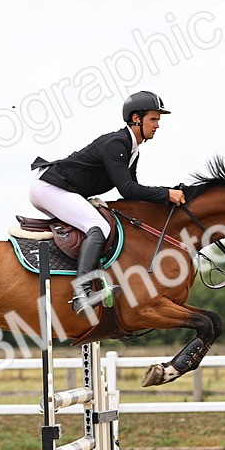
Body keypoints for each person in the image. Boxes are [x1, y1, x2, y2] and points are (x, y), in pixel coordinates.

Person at [29, 90, 186, 316]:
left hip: (59, 188)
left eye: (158, 120)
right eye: (153, 119)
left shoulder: (131, 150)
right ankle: (82, 293)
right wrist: (165, 194)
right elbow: (128, 189)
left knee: (98, 222)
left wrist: (164, 200)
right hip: (49, 187)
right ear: (136, 119)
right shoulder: (117, 144)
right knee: (99, 226)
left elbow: (131, 192)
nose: (157, 125)